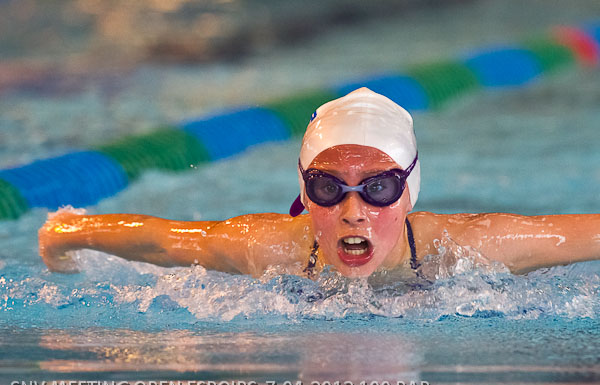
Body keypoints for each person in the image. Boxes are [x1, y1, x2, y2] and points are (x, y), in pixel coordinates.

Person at [39, 88, 600, 280]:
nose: (354, 212)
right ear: (305, 194)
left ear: (409, 192)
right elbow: (167, 240)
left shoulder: (470, 248)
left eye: (378, 188)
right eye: (330, 189)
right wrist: (63, 233)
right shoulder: (270, 248)